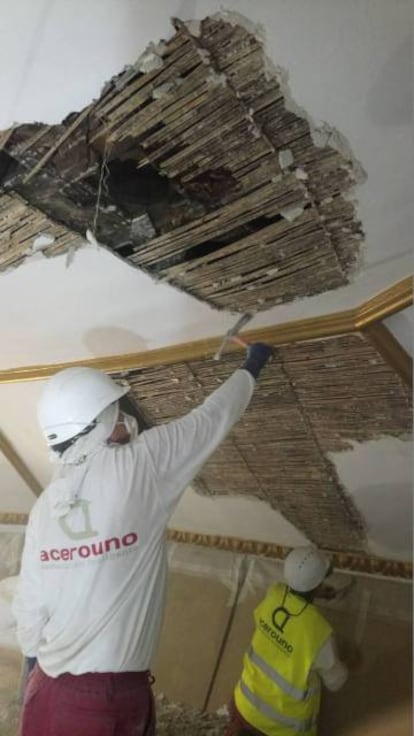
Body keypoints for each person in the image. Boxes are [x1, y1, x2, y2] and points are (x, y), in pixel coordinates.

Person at [13, 342, 272, 736]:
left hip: (49, 689)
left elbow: (30, 606)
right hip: (106, 700)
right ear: (99, 420)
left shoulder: (46, 506)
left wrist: (34, 672)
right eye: (119, 414)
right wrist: (252, 365)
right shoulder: (142, 465)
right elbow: (213, 418)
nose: (127, 422)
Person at [226, 546, 349, 736]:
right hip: (280, 729)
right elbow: (336, 682)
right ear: (318, 583)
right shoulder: (318, 632)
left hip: (244, 707)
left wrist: (315, 592)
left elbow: (293, 594)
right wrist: (349, 660)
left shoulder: (274, 594)